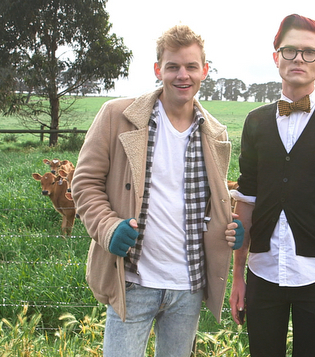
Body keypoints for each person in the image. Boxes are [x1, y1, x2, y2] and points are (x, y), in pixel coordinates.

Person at [71, 24, 244, 357]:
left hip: (188, 285)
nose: (183, 75)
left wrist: (227, 227)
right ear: (158, 69)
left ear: (204, 71)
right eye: (173, 66)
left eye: (191, 66)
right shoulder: (117, 116)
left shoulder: (215, 134)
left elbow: (208, 203)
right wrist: (108, 228)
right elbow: (84, 182)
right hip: (133, 281)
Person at [228, 14, 315, 357]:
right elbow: (245, 200)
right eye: (289, 50)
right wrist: (237, 275)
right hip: (261, 272)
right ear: (276, 56)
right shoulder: (256, 122)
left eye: (309, 53)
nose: (298, 59)